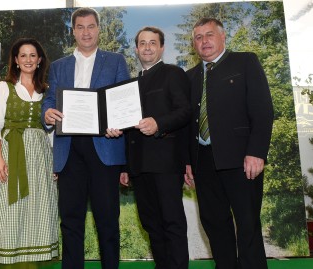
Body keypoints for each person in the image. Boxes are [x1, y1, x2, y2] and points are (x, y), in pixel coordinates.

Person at [42, 7, 130, 269]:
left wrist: (119, 123)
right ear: (73, 32)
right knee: (70, 220)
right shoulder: (59, 66)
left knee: (107, 220)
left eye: (91, 26)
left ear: (98, 29)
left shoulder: (115, 61)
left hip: (105, 146)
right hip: (69, 150)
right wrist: (46, 113)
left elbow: (123, 99)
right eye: (80, 27)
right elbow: (48, 101)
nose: (86, 32)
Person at [184, 18, 274, 269]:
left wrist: (256, 152)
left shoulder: (245, 62)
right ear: (194, 44)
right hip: (203, 163)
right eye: (199, 37)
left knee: (247, 224)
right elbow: (186, 124)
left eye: (209, 35)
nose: (204, 41)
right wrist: (188, 162)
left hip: (241, 160)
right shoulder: (189, 77)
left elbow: (262, 110)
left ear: (223, 37)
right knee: (214, 223)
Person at [106, 26, 190, 269]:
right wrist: (125, 166)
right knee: (151, 223)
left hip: (166, 162)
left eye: (153, 43)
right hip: (139, 165)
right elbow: (126, 127)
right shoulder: (130, 85)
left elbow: (185, 112)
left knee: (172, 222)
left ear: (162, 47)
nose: (147, 47)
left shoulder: (173, 73)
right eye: (142, 43)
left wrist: (159, 123)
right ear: (136, 49)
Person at [0, 37, 59, 268]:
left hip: (40, 156)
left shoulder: (47, 91)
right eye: (23, 55)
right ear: (16, 61)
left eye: (33, 55)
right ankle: (9, 262)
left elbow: (51, 130)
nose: (28, 59)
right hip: (11, 152)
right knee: (11, 207)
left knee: (37, 208)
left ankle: (32, 261)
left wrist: (54, 163)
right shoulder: (4, 86)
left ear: (39, 60)